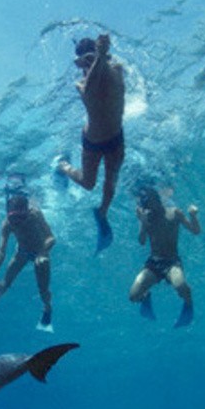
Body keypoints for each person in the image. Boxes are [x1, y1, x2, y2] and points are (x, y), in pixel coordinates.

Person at [56, 33, 126, 253]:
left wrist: (101, 56)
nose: (88, 64)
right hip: (93, 142)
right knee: (88, 183)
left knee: (111, 183)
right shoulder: (81, 83)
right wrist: (99, 57)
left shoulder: (116, 70)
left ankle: (102, 212)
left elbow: (109, 76)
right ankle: (62, 166)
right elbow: (91, 90)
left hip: (116, 138)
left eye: (91, 58)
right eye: (84, 61)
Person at [0, 183, 56, 335]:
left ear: (27, 211)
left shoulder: (35, 215)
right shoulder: (7, 224)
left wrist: (42, 252)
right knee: (5, 282)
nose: (17, 223)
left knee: (43, 289)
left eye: (21, 217)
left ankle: (47, 309)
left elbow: (51, 238)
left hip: (40, 252)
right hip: (22, 252)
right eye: (13, 218)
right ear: (8, 214)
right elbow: (1, 249)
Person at [128, 186, 201, 328]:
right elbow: (142, 241)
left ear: (158, 199)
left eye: (151, 201)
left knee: (181, 286)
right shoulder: (147, 217)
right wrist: (142, 223)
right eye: (147, 204)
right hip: (153, 264)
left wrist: (193, 216)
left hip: (172, 263)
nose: (150, 206)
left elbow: (195, 231)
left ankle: (188, 306)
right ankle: (145, 297)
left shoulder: (175, 213)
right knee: (133, 296)